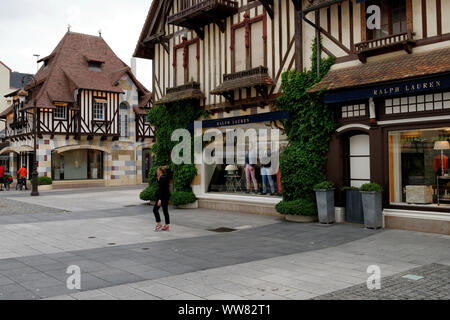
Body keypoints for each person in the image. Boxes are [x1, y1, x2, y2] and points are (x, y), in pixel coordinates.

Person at [153, 167, 171, 232]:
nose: (157, 171)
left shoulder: (162, 178)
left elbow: (161, 190)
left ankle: (159, 224)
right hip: (166, 197)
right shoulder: (164, 177)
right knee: (165, 211)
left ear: (160, 171)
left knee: (155, 210)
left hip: (162, 197)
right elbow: (164, 187)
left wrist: (160, 199)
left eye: (157, 170)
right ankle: (166, 226)